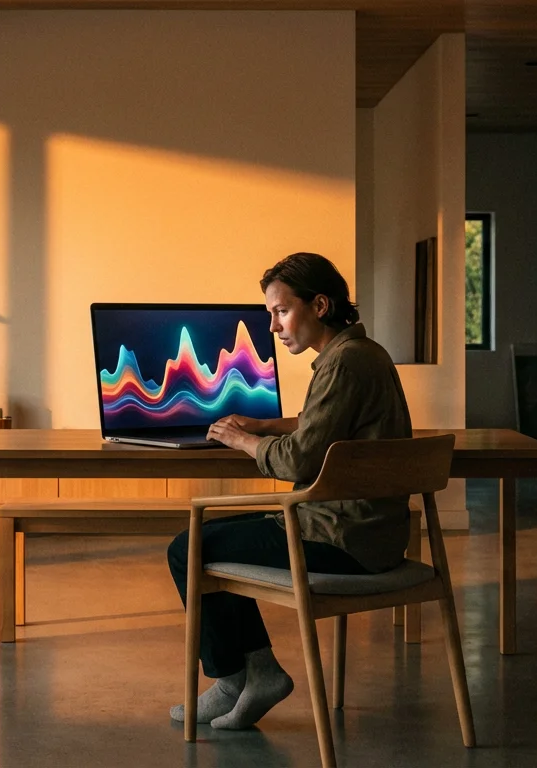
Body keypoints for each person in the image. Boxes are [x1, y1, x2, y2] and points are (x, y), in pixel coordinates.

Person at [166, 252, 414, 730]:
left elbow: (299, 458)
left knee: (190, 546)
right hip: (373, 533)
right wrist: (264, 423)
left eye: (281, 311)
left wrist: (242, 440)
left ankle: (240, 680)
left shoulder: (342, 364)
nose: (275, 326)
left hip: (340, 538)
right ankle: (249, 676)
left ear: (319, 305)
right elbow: (322, 426)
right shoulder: (362, 354)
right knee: (212, 540)